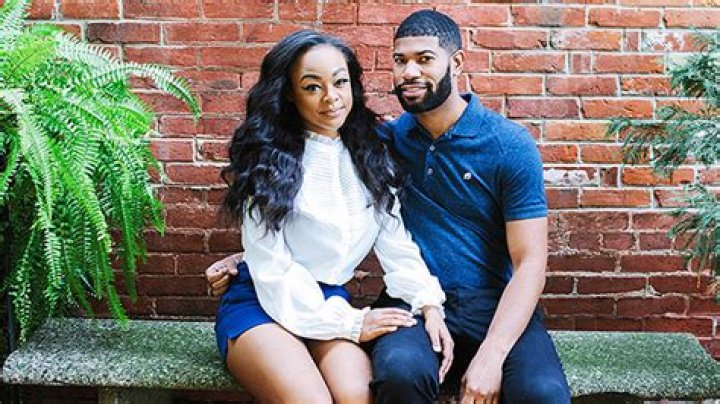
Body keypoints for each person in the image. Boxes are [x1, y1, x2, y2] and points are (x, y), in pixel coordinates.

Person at [209, 10, 571, 404]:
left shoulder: (383, 153)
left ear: (456, 63)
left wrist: (455, 325)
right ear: (291, 94)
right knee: (364, 386)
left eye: (425, 59)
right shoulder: (368, 146)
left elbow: (523, 260)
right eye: (401, 60)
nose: (330, 97)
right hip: (276, 301)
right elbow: (279, 245)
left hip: (379, 303)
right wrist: (251, 257)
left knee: (538, 394)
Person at [211, 29, 452, 404]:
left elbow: (396, 244)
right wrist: (353, 323)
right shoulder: (266, 162)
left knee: (358, 397)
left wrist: (428, 304)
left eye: (340, 82)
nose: (331, 97)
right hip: (260, 302)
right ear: (289, 94)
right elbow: (271, 267)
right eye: (312, 87)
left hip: (328, 301)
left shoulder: (372, 156)